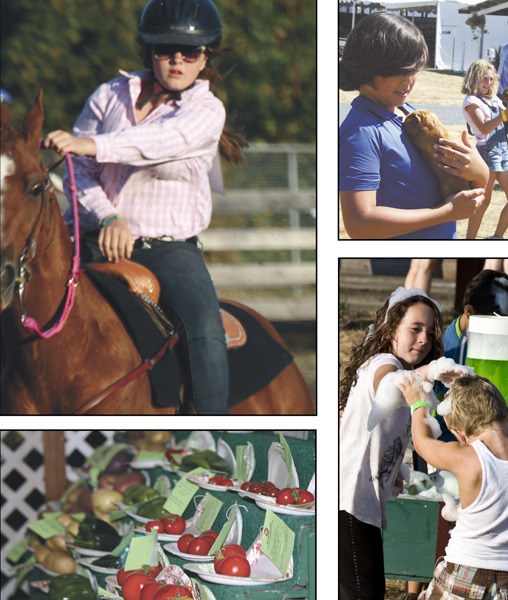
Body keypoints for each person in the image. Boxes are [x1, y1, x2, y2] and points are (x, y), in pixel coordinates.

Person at [43, 0, 246, 415]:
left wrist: (93, 144)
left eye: (189, 52)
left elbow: (160, 143)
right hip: (90, 236)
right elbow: (77, 171)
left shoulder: (206, 111)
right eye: (164, 49)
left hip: (168, 249)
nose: (176, 60)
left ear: (205, 56)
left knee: (204, 329)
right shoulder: (108, 96)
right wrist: (110, 217)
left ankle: (211, 424)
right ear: (148, 51)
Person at [339, 287, 454, 599]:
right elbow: (389, 387)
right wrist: (429, 371)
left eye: (430, 333)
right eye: (415, 329)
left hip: (359, 504)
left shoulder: (400, 369)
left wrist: (392, 471)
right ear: (391, 329)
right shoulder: (386, 363)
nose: (424, 340)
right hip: (346, 503)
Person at [339, 12, 487, 240]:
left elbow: (457, 187)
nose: (408, 80)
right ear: (367, 68)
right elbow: (359, 224)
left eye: (414, 70)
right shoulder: (359, 133)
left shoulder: (409, 111)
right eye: (400, 71)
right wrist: (446, 213)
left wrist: (479, 171)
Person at [399, 375, 508, 599]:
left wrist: (417, 404)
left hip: (466, 571)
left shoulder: (469, 457)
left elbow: (421, 442)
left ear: (459, 432)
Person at [462, 60, 508, 239]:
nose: (487, 83)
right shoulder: (471, 101)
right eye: (483, 79)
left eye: (490, 79)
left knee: (485, 201)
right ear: (474, 78)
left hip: (503, 150)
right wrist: (504, 114)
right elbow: (484, 128)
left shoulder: (493, 98)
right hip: (487, 153)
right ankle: (469, 243)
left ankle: (496, 238)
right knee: (484, 202)